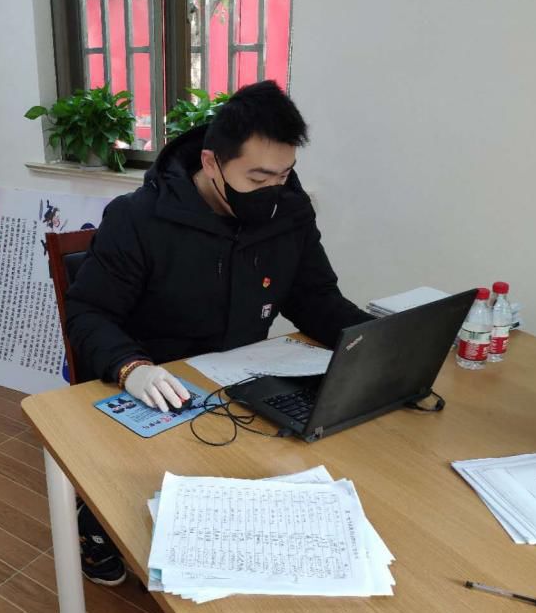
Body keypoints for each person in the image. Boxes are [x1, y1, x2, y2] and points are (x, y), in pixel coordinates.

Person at [64, 80, 373, 585]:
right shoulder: (139, 219)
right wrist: (130, 367)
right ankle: (94, 515)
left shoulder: (289, 210)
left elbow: (315, 297)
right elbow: (88, 311)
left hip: (241, 381)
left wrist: (373, 340)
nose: (274, 190)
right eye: (258, 177)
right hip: (160, 381)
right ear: (211, 163)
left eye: (284, 174)